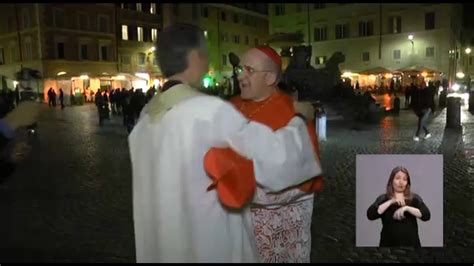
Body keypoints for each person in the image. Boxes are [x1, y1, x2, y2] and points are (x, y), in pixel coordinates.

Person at [129, 24, 322, 263]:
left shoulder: (146, 118)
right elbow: (276, 158)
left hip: (164, 243)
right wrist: (299, 119)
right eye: (205, 54)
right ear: (193, 57)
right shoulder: (208, 111)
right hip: (208, 242)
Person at [204, 46, 323, 262]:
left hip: (274, 232)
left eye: (249, 70)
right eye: (240, 69)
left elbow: (304, 177)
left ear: (269, 77)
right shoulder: (230, 107)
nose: (240, 76)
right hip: (231, 227)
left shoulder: (292, 112)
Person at [367, 166, 431, 247]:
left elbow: (426, 215)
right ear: (391, 181)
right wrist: (391, 201)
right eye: (397, 178)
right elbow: (371, 214)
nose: (401, 182)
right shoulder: (383, 198)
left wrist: (406, 208)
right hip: (388, 244)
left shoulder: (414, 198)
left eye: (404, 179)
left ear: (407, 183)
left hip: (411, 244)